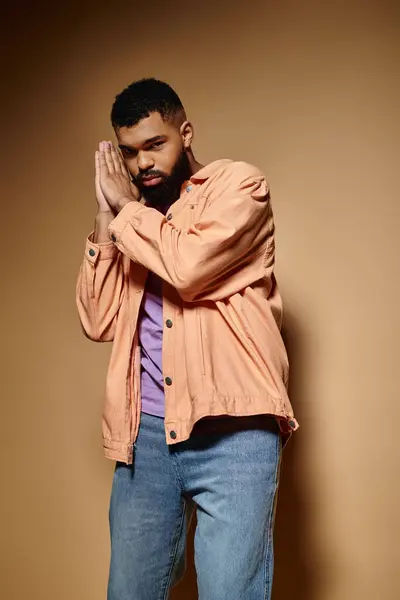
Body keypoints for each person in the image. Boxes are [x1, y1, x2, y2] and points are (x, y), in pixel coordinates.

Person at [76, 78, 298, 600]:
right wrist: (108, 216)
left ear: (186, 132)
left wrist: (126, 212)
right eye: (129, 153)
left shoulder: (239, 186)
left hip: (234, 429)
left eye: (156, 144)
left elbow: (188, 267)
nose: (142, 164)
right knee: (129, 592)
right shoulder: (132, 220)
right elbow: (97, 319)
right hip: (146, 435)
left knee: (229, 592)